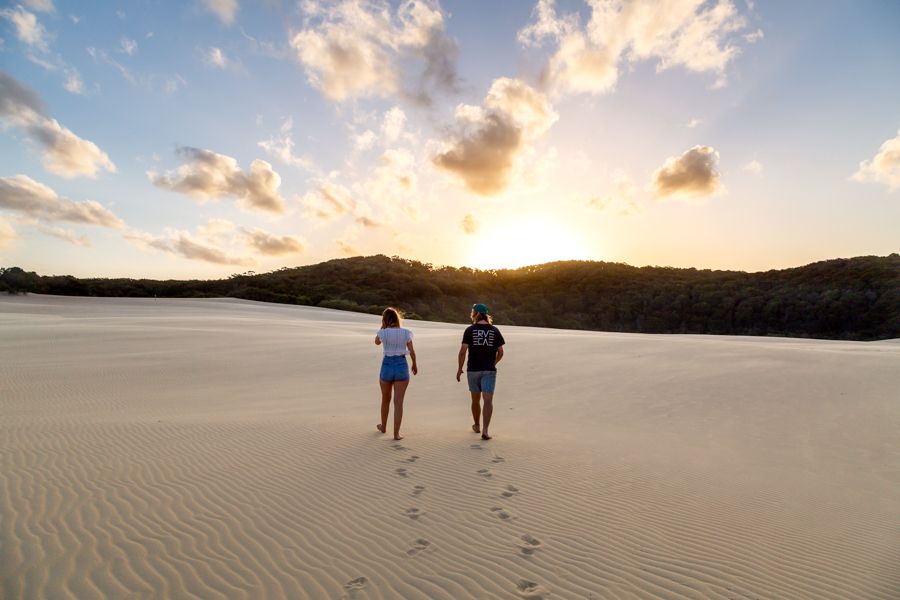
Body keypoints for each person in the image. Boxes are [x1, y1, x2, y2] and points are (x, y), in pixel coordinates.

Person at [456, 303, 505, 440]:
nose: (472, 313)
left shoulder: (470, 330)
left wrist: (459, 369)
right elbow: (501, 352)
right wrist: (493, 363)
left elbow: (462, 352)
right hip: (489, 370)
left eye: (473, 311)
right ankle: (485, 430)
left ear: (477, 314)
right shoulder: (495, 330)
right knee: (488, 400)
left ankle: (477, 425)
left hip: (473, 370)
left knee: (475, 399)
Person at [375, 307, 417, 440]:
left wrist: (383, 327)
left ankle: (383, 427)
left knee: (385, 399)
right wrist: (414, 364)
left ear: (385, 320)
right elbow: (411, 350)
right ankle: (396, 434)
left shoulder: (383, 332)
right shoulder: (406, 332)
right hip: (401, 365)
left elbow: (376, 342)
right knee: (398, 402)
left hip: (387, 365)